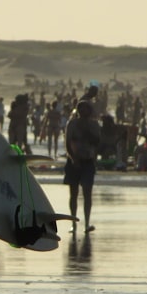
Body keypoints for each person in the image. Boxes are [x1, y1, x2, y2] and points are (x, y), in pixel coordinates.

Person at [64, 99, 102, 233]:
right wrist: (73, 158)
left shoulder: (94, 125)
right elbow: (68, 143)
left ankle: (87, 222)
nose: (83, 112)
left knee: (87, 193)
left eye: (86, 109)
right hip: (74, 161)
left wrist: (87, 131)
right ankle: (73, 223)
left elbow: (97, 142)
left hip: (88, 160)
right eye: (81, 109)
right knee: (73, 194)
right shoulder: (72, 124)